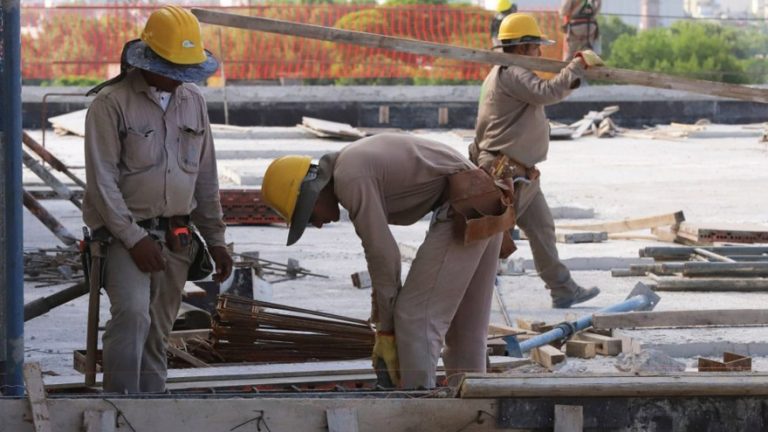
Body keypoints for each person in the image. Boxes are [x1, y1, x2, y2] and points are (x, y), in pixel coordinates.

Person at [261, 134, 504, 389]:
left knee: (414, 316)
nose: (318, 225)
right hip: (485, 199)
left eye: (309, 217)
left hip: (466, 204)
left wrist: (386, 329)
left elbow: (383, 254)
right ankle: (475, 408)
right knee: (465, 328)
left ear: (311, 194)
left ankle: (416, 409)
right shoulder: (351, 163)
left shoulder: (350, 178)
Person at [83, 5, 233, 393]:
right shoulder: (110, 104)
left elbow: (204, 178)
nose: (180, 79)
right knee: (132, 317)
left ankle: (151, 408)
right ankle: (119, 408)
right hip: (123, 235)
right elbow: (102, 184)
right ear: (148, 59)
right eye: (173, 69)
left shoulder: (193, 102)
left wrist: (216, 240)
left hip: (176, 237)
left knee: (158, 331)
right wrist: (134, 239)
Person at [471, 13, 603, 309]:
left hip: (520, 174)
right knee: (488, 241)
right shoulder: (514, 72)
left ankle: (563, 289)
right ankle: (463, 294)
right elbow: (549, 92)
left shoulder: (498, 74)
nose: (539, 54)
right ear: (521, 48)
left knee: (542, 230)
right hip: (507, 174)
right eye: (535, 48)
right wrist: (576, 65)